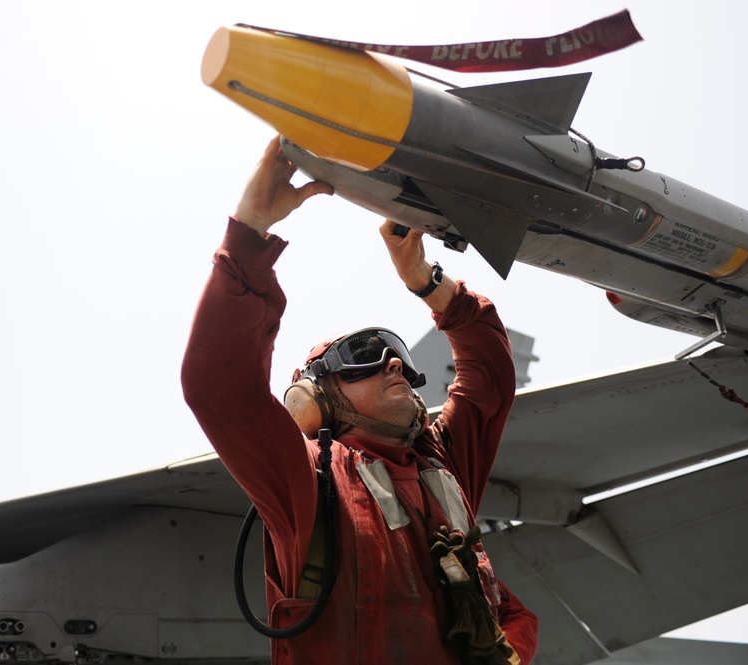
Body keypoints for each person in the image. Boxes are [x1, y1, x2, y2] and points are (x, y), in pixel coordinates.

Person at [182, 136, 538, 665]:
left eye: (395, 352)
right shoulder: (307, 481)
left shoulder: (442, 466)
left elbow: (489, 375)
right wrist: (250, 235)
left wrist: (426, 282)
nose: (394, 362)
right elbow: (219, 385)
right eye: (365, 354)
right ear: (318, 396)